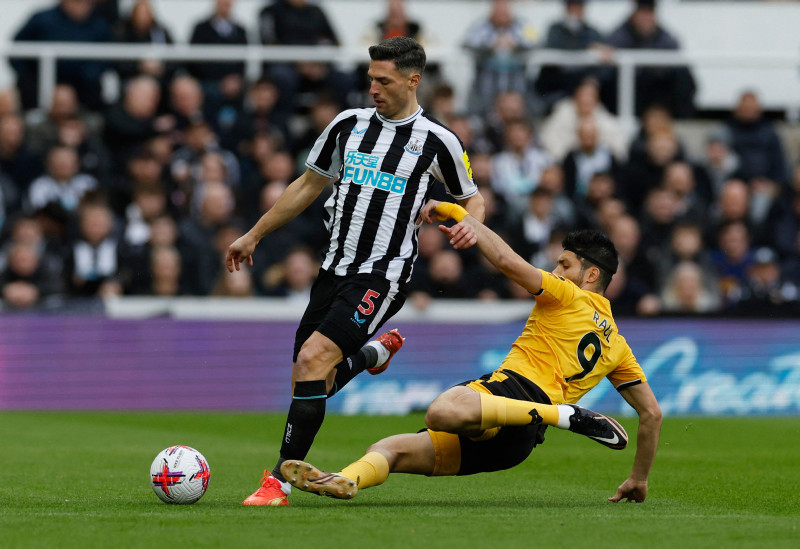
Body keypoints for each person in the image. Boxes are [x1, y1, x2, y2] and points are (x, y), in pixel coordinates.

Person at [225, 37, 485, 506]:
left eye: (384, 81)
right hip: (333, 269)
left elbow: (472, 196)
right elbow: (308, 184)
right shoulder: (348, 126)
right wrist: (254, 234)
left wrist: (470, 225)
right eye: (370, 79)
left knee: (311, 360)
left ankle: (277, 484)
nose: (373, 89)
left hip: (383, 275)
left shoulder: (437, 140)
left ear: (413, 80)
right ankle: (371, 357)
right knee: (310, 382)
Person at [280, 204, 661, 504]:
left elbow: (508, 262)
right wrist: (639, 479)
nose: (555, 270)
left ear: (590, 276)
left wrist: (463, 216)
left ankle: (564, 415)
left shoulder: (567, 294)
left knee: (440, 411)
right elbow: (651, 414)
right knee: (388, 449)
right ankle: (347, 480)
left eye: (564, 264)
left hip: (512, 395)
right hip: (516, 443)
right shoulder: (619, 347)